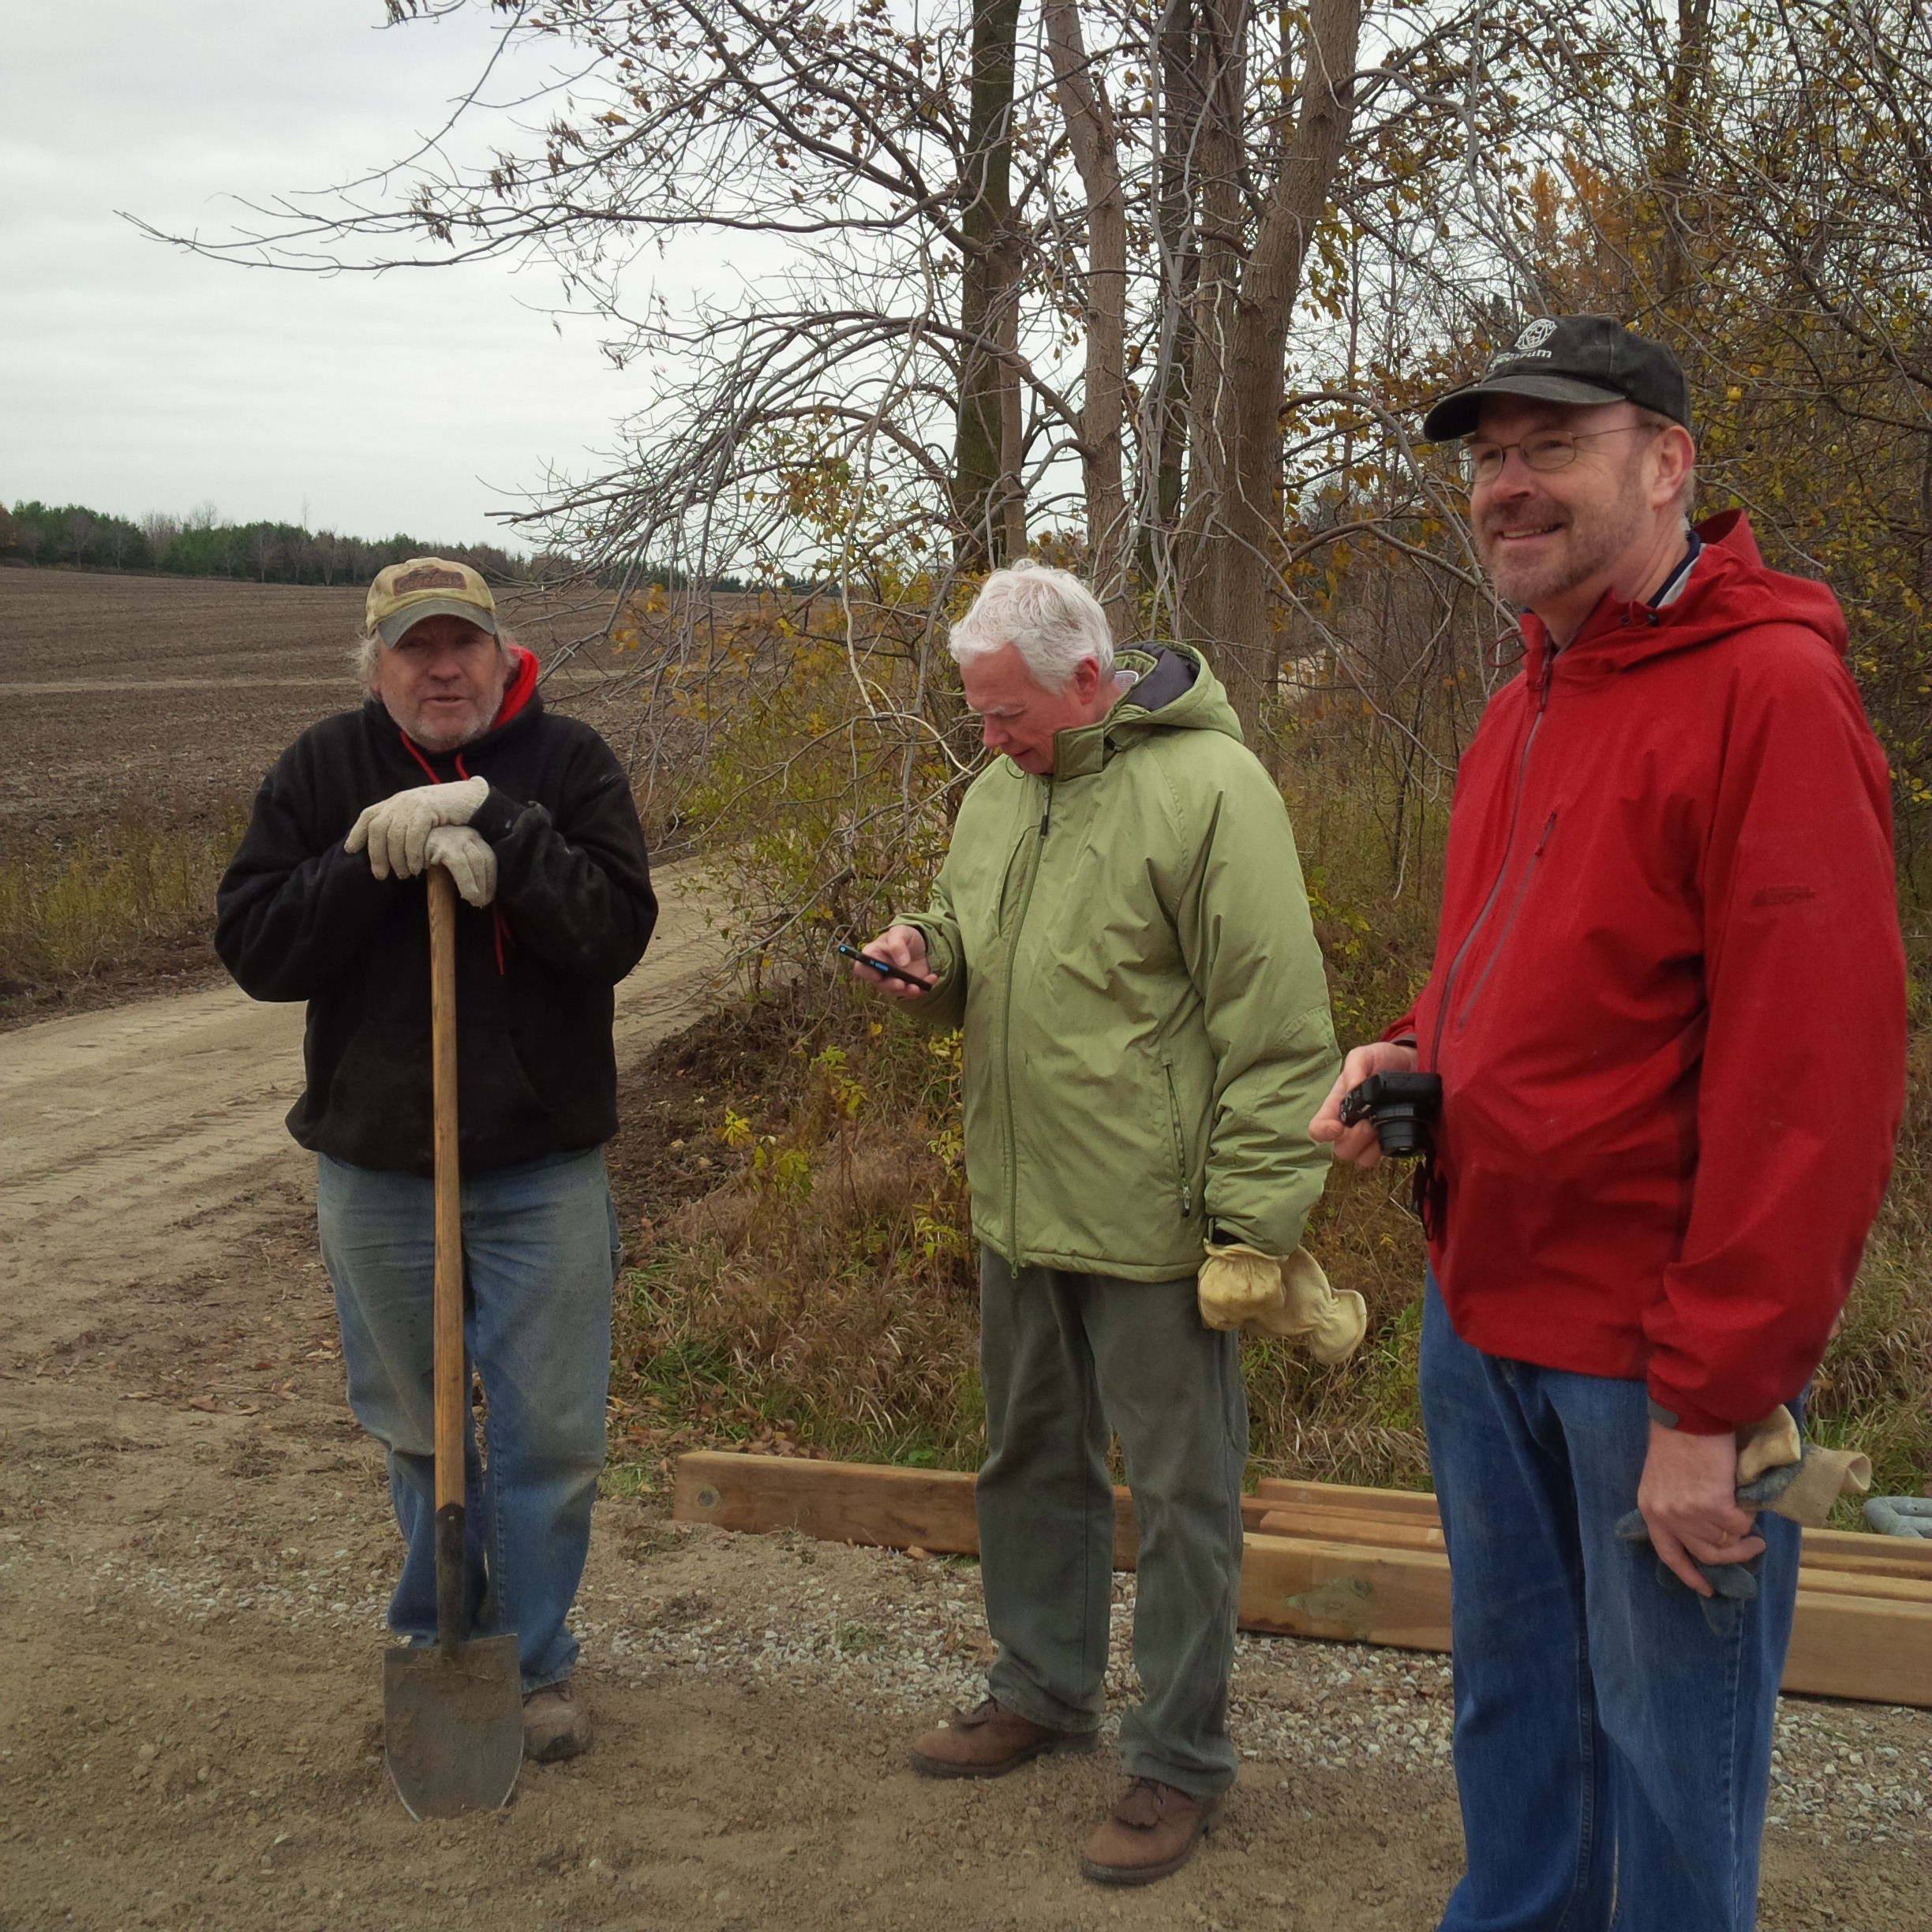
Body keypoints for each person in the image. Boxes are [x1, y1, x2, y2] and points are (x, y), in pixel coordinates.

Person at [1312, 316, 1906, 1930]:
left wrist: (1712, 1402)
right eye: (1488, 458)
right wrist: (1410, 1055)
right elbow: (1518, 979)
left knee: (1667, 1763)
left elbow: (1816, 1090)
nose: (1507, 487)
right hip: (1480, 1309)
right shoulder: (1528, 701)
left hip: (1648, 1360)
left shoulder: (1768, 694)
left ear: (1667, 462)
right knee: (1516, 1728)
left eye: (1550, 446)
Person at [854, 561, 1350, 1886]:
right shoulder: (1001, 790)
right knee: (1028, 1457)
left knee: (1185, 1497)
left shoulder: (1211, 792)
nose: (989, 738)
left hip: (1159, 1223)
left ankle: (1179, 1759)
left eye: (1006, 712)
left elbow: (1280, 1029)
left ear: (1089, 679)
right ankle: (1043, 1685)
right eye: (975, 715)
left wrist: (1252, 1226)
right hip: (1020, 1201)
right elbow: (973, 930)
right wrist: (926, 953)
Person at [216, 556, 655, 1762]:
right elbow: (257, 948)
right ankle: (437, 1642)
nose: (443, 667)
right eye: (416, 648)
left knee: (547, 1438)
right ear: (377, 667)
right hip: (376, 1168)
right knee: (420, 1429)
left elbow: (616, 932)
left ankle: (530, 1664)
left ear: (504, 654)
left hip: (541, 1169)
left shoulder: (567, 766)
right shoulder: (321, 772)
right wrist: (370, 861)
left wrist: (503, 832)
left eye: (463, 642)